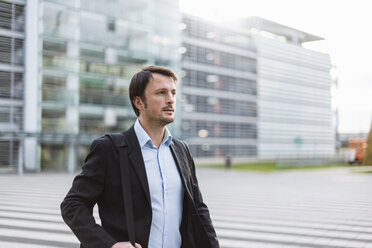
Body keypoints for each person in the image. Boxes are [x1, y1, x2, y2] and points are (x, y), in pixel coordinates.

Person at [60, 66, 219, 248]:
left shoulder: (181, 150)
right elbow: (73, 205)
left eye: (173, 93)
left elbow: (198, 209)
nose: (170, 100)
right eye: (161, 93)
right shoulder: (109, 148)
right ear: (138, 102)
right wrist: (109, 245)